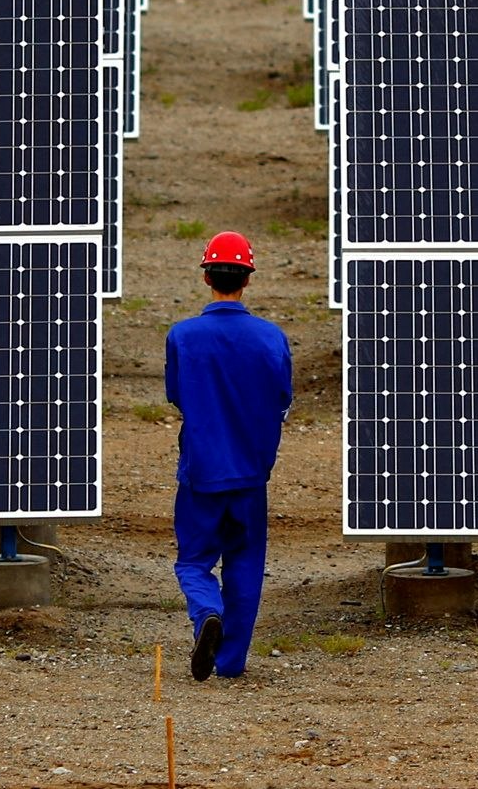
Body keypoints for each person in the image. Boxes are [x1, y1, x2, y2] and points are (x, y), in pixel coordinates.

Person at [164, 230, 292, 683]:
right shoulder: (271, 338)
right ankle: (232, 662)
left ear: (206, 278)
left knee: (194, 561)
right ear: (247, 280)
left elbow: (177, 395)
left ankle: (206, 612)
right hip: (251, 475)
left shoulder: (183, 336)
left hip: (200, 473)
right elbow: (282, 398)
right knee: (245, 563)